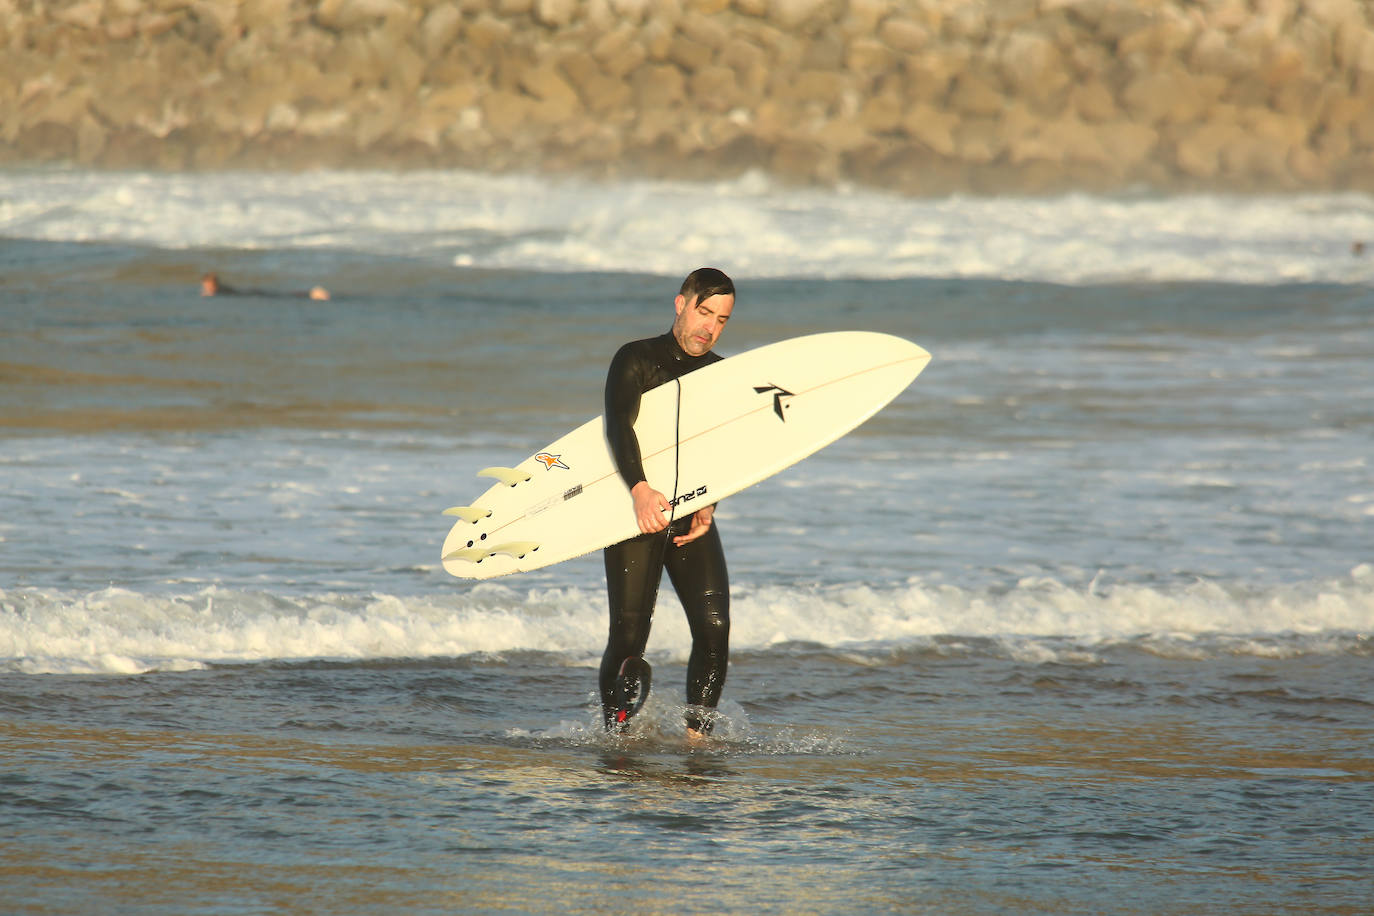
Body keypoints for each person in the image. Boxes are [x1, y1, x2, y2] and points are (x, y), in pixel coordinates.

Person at [600, 267, 736, 742]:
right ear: (681, 304)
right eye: (704, 312)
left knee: (715, 629)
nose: (710, 327)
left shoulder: (722, 372)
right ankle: (618, 737)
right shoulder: (636, 358)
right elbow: (619, 425)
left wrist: (709, 503)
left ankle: (697, 739)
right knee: (630, 633)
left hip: (690, 512)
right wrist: (638, 488)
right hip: (636, 508)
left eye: (721, 320)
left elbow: (721, 447)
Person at [200, 272, 330, 300]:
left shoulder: (219, 291)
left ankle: (310, 294)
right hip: (251, 292)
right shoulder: (222, 289)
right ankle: (310, 293)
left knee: (282, 296)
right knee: (282, 295)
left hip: (251, 294)